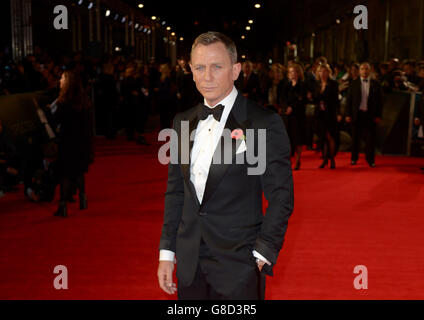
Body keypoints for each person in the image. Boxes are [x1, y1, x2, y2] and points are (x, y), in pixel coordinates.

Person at [157, 32, 294, 300]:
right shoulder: (183, 123)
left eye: (216, 67)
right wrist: (167, 253)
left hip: (239, 264)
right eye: (199, 67)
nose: (207, 76)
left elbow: (280, 194)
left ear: (235, 70)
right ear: (191, 72)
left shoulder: (258, 124)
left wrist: (263, 250)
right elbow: (176, 193)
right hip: (189, 262)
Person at [52, 68, 92, 217]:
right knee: (79, 171)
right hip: (81, 141)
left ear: (68, 83)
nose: (60, 81)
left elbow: (55, 119)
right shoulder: (84, 100)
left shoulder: (64, 102)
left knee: (66, 173)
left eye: (62, 79)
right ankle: (83, 199)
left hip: (67, 141)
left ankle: (62, 206)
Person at [346, 62, 383, 167]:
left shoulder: (376, 84)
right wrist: (348, 114)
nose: (365, 71)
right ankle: (354, 158)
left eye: (367, 69)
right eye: (362, 69)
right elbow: (349, 100)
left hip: (370, 115)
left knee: (371, 139)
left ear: (370, 70)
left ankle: (370, 160)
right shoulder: (353, 83)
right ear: (359, 71)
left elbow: (380, 102)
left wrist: (379, 115)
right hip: (357, 114)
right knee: (355, 138)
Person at [281, 63, 308, 170]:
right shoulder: (286, 85)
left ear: (299, 73)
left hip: (298, 116)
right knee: (288, 138)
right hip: (287, 116)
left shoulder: (302, 85)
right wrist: (285, 108)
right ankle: (289, 160)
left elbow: (302, 100)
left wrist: (292, 107)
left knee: (298, 139)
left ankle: (297, 160)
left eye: (295, 72)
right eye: (291, 72)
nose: (293, 74)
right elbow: (282, 98)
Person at [313, 63, 340, 169]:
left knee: (330, 136)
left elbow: (336, 101)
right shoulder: (317, 84)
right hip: (320, 114)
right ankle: (324, 159)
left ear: (329, 72)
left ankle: (332, 158)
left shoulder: (333, 84)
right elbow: (316, 99)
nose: (323, 73)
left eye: (325, 71)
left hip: (330, 113)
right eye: (320, 71)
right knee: (323, 137)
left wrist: (338, 113)